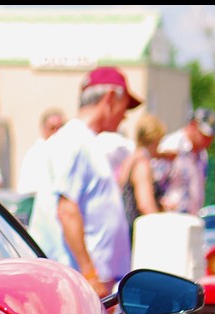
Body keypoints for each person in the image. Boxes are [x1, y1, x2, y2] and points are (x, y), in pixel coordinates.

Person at [27, 66, 141, 299]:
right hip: (78, 284)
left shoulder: (83, 141)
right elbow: (67, 209)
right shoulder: (75, 141)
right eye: (124, 106)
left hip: (85, 282)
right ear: (110, 98)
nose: (125, 115)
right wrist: (90, 274)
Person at [155, 108, 215, 216]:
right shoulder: (171, 145)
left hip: (192, 220)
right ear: (193, 126)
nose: (209, 140)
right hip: (170, 219)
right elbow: (154, 183)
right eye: (205, 135)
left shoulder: (202, 155)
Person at [120, 114, 169, 235]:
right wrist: (161, 230)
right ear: (155, 139)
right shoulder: (142, 164)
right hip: (137, 231)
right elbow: (145, 204)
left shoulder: (130, 159)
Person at [16, 108, 65, 194]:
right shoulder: (35, 154)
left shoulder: (64, 151)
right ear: (44, 129)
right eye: (53, 128)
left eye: (60, 128)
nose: (57, 132)